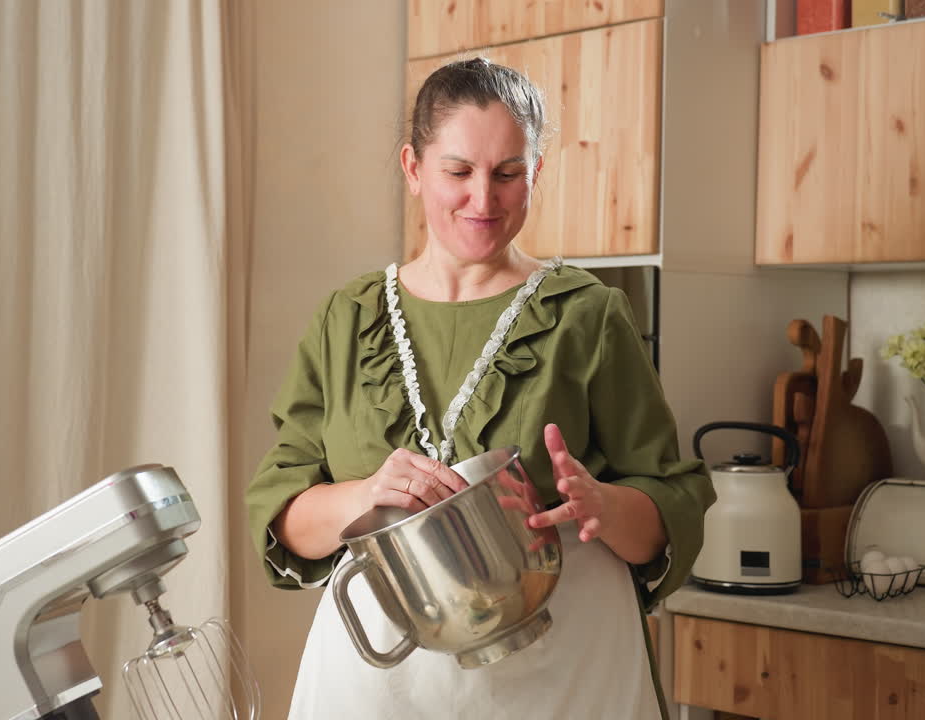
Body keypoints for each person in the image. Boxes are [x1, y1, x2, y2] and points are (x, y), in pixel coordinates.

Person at [244, 57, 715, 720]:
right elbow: (284, 516)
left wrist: (602, 505)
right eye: (458, 172)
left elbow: (674, 502)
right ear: (413, 168)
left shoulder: (587, 314)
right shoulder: (344, 321)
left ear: (536, 173)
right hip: (380, 684)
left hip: (563, 678)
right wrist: (367, 494)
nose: (484, 201)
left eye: (508, 174)